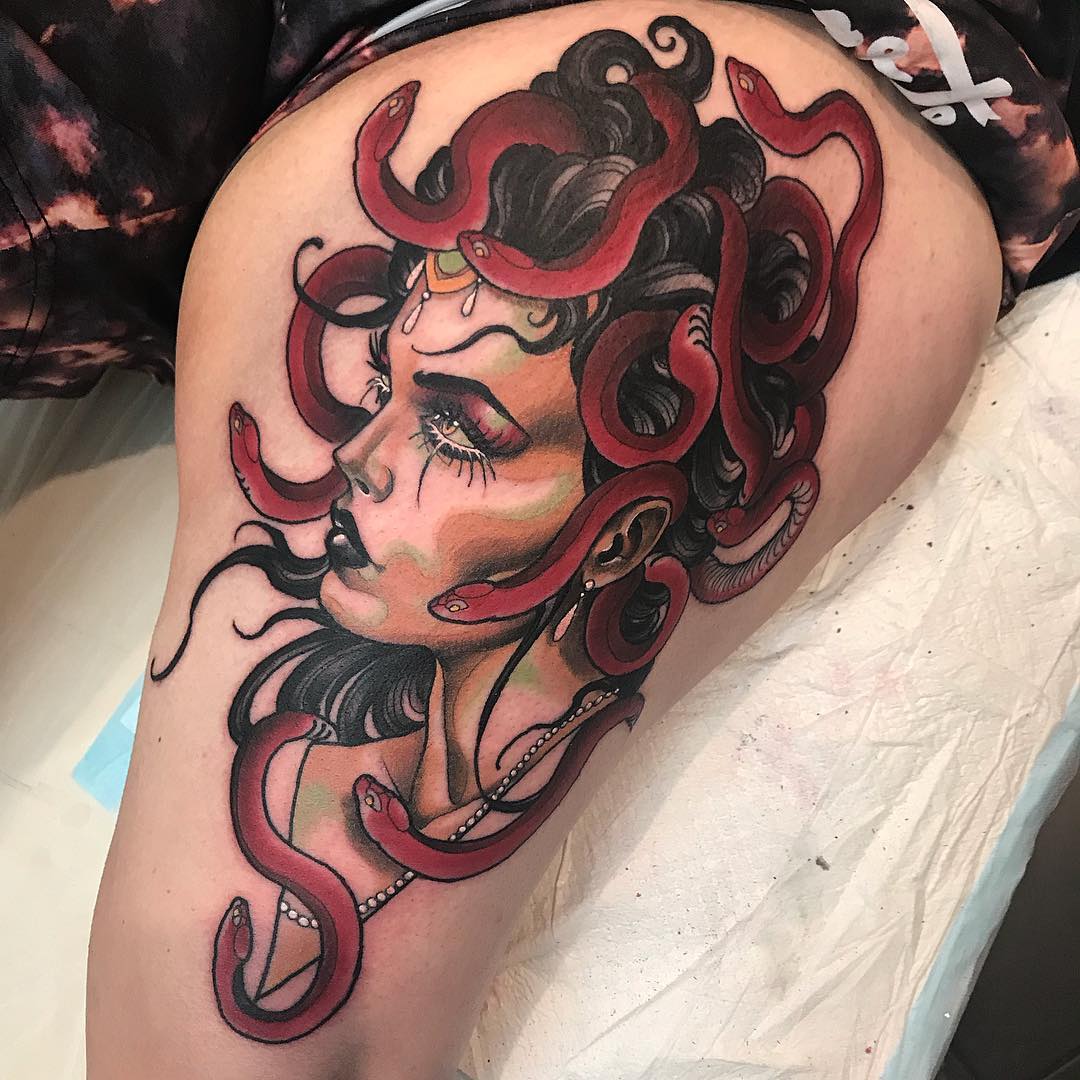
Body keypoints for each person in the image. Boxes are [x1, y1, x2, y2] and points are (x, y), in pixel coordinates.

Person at [74, 1, 1076, 1077]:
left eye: (456, 429)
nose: (356, 456)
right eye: (387, 385)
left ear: (624, 533)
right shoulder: (325, 770)